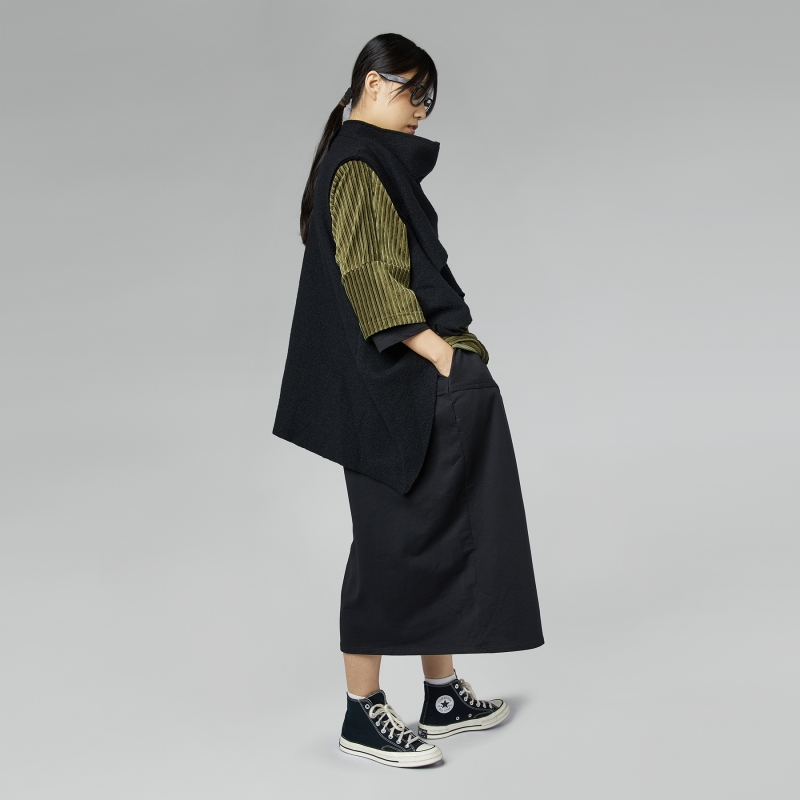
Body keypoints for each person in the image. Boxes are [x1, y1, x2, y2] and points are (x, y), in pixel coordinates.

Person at [273, 33, 544, 768]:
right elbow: (370, 274)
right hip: (392, 386)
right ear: (372, 82)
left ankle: (442, 694)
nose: (422, 108)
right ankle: (362, 713)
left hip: (403, 383)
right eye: (412, 92)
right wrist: (440, 355)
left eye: (429, 97)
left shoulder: (367, 159)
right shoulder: (359, 163)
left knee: (440, 530)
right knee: (390, 543)